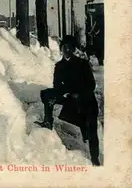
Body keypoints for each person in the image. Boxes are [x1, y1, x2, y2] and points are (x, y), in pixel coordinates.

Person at [36, 35, 100, 166]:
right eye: (65, 47)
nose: (67, 50)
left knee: (91, 128)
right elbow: (57, 86)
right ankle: (48, 122)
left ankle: (95, 158)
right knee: (47, 94)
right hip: (70, 98)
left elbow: (91, 85)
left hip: (86, 100)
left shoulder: (82, 64)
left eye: (70, 47)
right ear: (61, 49)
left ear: (73, 49)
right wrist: (64, 92)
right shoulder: (59, 66)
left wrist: (77, 92)